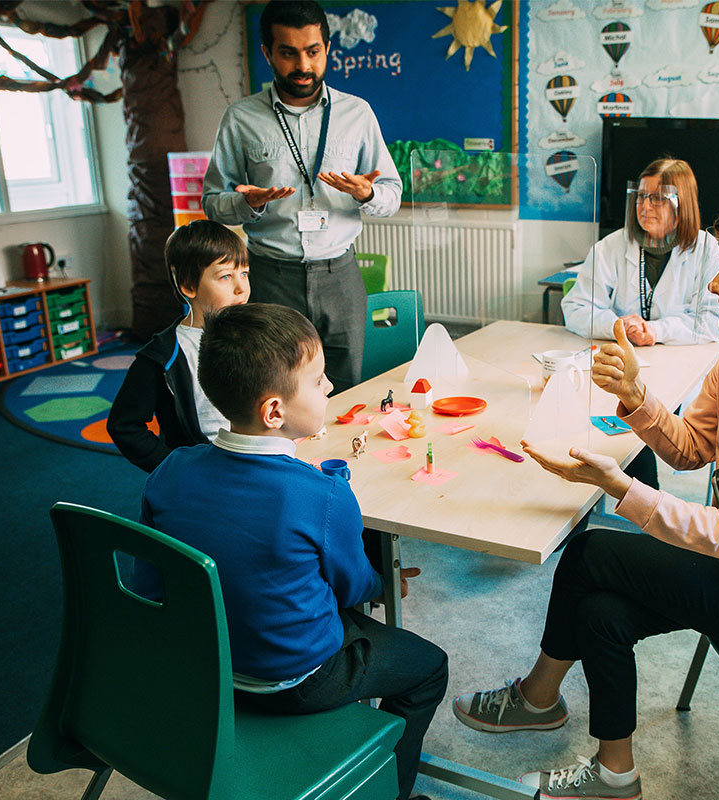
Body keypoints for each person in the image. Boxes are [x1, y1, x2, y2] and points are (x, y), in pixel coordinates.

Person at [453, 194, 719, 800]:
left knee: (592, 554)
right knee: (600, 611)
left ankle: (537, 698)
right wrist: (636, 396)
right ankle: (613, 774)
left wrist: (618, 486)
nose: (714, 283)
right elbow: (691, 446)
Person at [140, 303, 446, 800]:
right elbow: (354, 588)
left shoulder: (170, 470)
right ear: (274, 412)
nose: (329, 387)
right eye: (319, 379)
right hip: (294, 679)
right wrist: (389, 580)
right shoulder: (321, 495)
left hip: (203, 668)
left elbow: (151, 582)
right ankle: (390, 791)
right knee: (428, 667)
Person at [202, 0, 401, 394]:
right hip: (270, 276)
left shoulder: (357, 114)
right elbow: (212, 200)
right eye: (288, 53)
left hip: (341, 275)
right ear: (267, 53)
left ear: (327, 48)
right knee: (276, 389)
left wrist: (367, 194)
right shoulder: (241, 118)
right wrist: (249, 203)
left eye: (313, 51)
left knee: (349, 389)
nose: (303, 65)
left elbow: (392, 196)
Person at [108, 220, 250, 473]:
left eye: (244, 274)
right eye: (226, 276)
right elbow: (124, 425)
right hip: (206, 474)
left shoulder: (254, 334)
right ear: (189, 286)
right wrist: (174, 468)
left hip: (257, 461)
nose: (241, 288)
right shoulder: (162, 356)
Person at [562, 158, 719, 348]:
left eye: (658, 198)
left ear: (682, 204)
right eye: (641, 196)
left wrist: (655, 330)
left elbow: (712, 320)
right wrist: (618, 326)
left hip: (682, 359)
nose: (645, 207)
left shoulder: (706, 249)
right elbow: (576, 310)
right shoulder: (610, 247)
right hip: (620, 356)